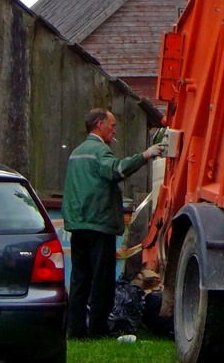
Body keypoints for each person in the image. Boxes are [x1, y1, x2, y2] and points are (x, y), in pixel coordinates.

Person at [61, 108, 161, 339]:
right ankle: (97, 330)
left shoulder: (77, 152)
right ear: (99, 125)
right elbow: (117, 170)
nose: (114, 130)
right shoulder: (99, 151)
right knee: (102, 281)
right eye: (112, 125)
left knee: (79, 279)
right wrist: (145, 155)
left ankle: (75, 331)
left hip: (78, 225)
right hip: (99, 225)